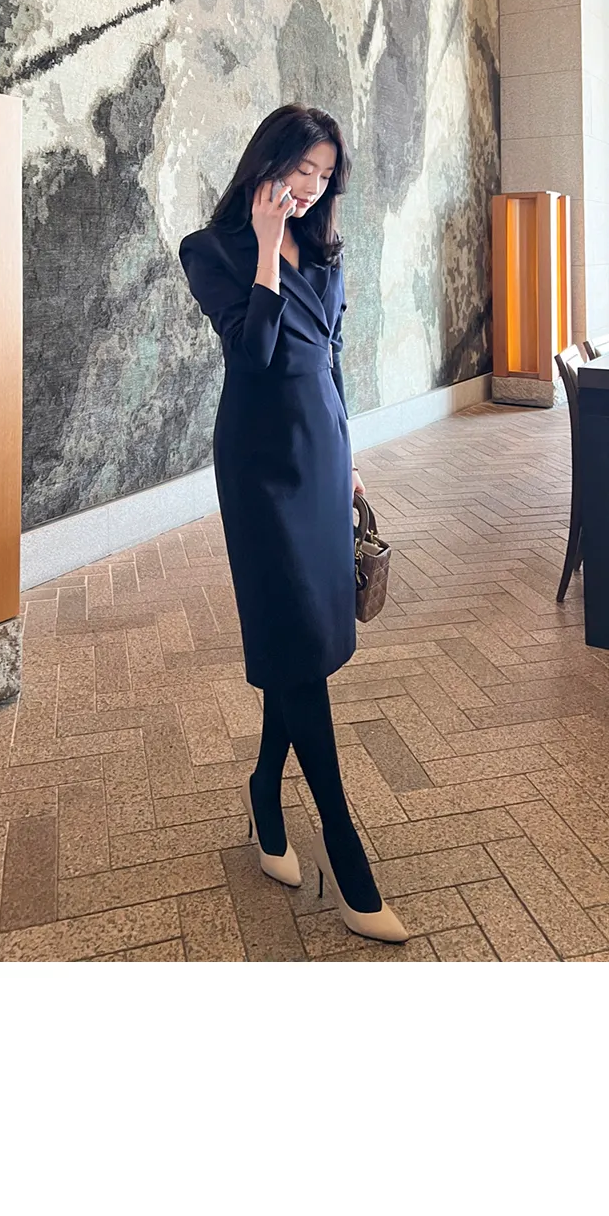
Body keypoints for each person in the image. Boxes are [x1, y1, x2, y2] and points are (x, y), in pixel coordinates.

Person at [180, 104, 408, 944]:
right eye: (301, 170)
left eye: (324, 175)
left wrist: (349, 458)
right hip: (260, 466)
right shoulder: (210, 251)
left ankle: (263, 793)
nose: (311, 189)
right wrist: (268, 245)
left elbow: (332, 359)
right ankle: (346, 859)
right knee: (297, 641)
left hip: (320, 456)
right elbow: (255, 356)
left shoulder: (326, 251)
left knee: (302, 640)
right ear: (266, 163)